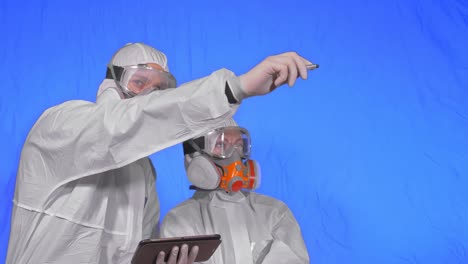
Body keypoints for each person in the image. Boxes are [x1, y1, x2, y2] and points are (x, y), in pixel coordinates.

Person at [6, 42, 314, 264]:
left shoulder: (142, 174)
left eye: (162, 89)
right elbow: (117, 126)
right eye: (140, 82)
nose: (151, 96)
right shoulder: (61, 125)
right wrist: (235, 87)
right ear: (112, 85)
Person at [160, 119, 310, 264]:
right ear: (194, 156)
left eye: (239, 145)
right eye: (221, 144)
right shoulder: (179, 221)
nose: (234, 155)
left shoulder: (274, 213)